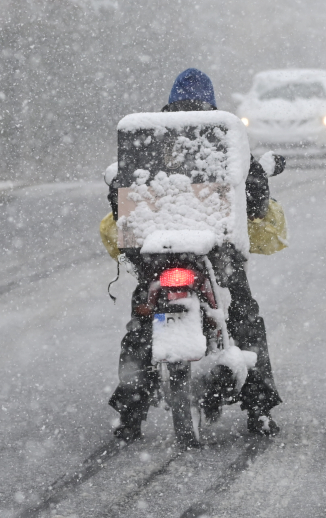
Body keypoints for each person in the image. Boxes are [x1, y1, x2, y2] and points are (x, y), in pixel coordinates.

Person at [104, 68, 282, 442]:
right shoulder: (220, 140)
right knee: (244, 317)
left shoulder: (147, 143)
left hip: (159, 258)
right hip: (214, 257)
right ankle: (259, 408)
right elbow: (253, 200)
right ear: (211, 104)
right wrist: (260, 179)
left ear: (169, 104)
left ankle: (131, 414)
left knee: (141, 326)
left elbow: (123, 203)